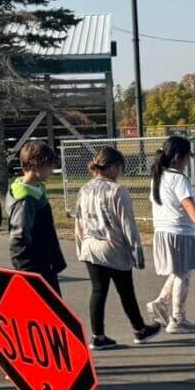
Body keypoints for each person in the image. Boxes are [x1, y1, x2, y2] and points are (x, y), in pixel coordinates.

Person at [75, 146, 161, 346]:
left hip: (90, 245)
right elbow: (127, 224)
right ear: (113, 168)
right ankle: (139, 329)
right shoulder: (117, 191)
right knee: (125, 290)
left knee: (98, 290)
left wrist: (81, 247)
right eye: (121, 168)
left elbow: (78, 221)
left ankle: (98, 335)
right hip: (112, 246)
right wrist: (137, 253)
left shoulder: (84, 189)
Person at [147, 135, 195, 333]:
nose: (187, 162)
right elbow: (188, 204)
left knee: (178, 271)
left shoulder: (158, 177)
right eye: (187, 158)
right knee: (183, 275)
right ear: (178, 157)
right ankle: (177, 318)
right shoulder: (178, 178)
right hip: (178, 231)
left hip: (163, 230)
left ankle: (161, 303)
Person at [9, 140, 67, 291]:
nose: (52, 171)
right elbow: (18, 240)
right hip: (36, 269)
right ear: (35, 166)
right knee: (51, 312)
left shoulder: (37, 189)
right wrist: (28, 274)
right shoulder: (26, 200)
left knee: (55, 310)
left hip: (46, 264)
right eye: (49, 167)